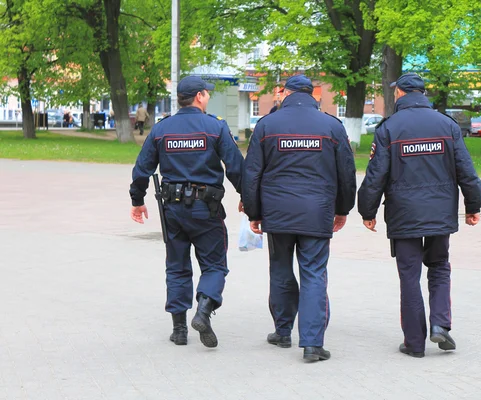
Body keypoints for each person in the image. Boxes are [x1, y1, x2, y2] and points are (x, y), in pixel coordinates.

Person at [357, 73, 481, 358]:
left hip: (403, 214)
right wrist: (473, 205)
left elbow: (376, 174)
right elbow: (466, 168)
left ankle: (414, 344)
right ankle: (440, 324)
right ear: (422, 94)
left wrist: (368, 210)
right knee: (439, 266)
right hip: (440, 212)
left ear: (400, 94)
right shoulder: (446, 125)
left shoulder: (389, 128)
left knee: (409, 275)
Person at [242, 74, 357, 362]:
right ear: (313, 94)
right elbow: (347, 173)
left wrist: (254, 212)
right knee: (314, 273)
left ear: (285, 93)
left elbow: (252, 172)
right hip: (317, 211)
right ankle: (313, 344)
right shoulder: (332, 126)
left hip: (277, 211)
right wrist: (343, 209)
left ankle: (282, 332)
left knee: (280, 269)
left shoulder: (267, 125)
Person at [129, 76, 244, 348]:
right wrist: (249, 200)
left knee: (177, 267)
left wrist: (137, 199)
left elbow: (142, 168)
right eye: (207, 93)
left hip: (173, 210)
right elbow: (237, 168)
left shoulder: (162, 129)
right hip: (207, 209)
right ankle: (203, 310)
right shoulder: (215, 127)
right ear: (200, 96)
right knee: (215, 264)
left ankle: (179, 330)